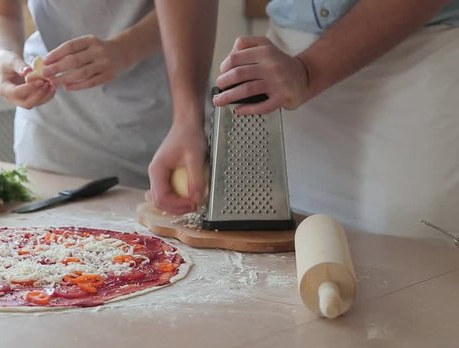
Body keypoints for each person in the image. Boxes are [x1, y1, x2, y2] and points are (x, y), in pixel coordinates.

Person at [149, 0, 459, 238]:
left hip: (417, 59)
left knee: (410, 263)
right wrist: (186, 116)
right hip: (279, 69)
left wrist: (309, 72)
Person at [0, 0, 171, 189]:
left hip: (155, 136)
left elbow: (196, 10)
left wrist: (125, 49)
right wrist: (1, 54)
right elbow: (0, 14)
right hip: (48, 140)